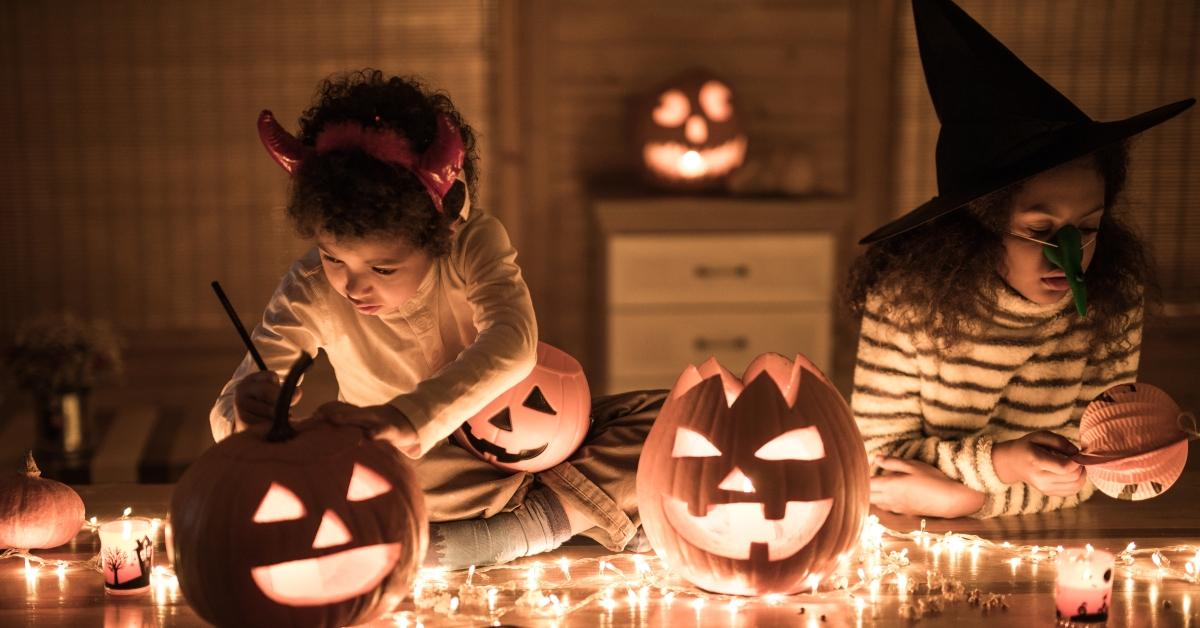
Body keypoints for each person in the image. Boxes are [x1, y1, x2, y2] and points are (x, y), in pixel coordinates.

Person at [209, 70, 662, 568]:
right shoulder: (311, 288)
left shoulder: (471, 244)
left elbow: (513, 342)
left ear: (443, 230)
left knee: (668, 420)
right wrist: (246, 413)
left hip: (525, 442)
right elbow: (242, 392)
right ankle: (550, 522)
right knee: (371, 478)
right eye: (334, 257)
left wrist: (409, 416)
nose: (354, 285)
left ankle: (526, 524)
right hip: (421, 473)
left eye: (383, 268)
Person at [847, 0, 1193, 518]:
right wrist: (1004, 463)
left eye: (1088, 228)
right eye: (1041, 229)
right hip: (913, 545)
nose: (1070, 255)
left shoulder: (1111, 303)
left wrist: (965, 497)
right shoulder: (904, 301)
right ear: (979, 225)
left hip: (1051, 544)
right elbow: (875, 469)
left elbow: (1093, 473)